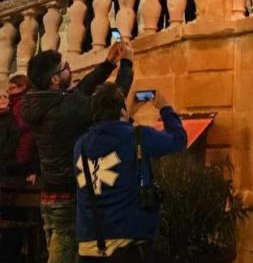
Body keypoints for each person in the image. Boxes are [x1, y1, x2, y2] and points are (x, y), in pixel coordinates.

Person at [23, 42, 133, 263]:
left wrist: (108, 64)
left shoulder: (36, 102)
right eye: (65, 67)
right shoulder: (66, 109)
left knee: (58, 248)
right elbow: (110, 105)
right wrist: (127, 65)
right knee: (63, 256)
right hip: (69, 195)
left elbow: (80, 90)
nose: (69, 69)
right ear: (55, 79)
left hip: (49, 193)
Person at [74, 86, 186, 261]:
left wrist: (127, 115)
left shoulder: (80, 145)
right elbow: (178, 140)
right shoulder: (138, 136)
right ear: (121, 110)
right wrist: (165, 108)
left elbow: (113, 136)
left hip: (88, 242)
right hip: (126, 244)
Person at [6, 74, 38, 183]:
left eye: (13, 88)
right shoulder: (13, 103)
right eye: (9, 88)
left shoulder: (23, 103)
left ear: (23, 86)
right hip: (17, 151)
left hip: (25, 150)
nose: (9, 91)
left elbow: (22, 126)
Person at [0, 90, 19, 176]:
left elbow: (14, 140)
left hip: (6, 162)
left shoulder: (13, 117)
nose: (3, 99)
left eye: (5, 97)